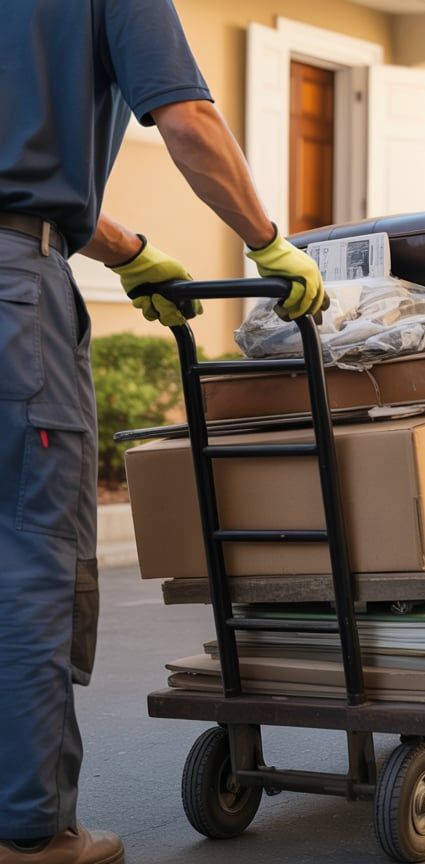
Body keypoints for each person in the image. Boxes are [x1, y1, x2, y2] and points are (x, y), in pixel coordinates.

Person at [0, 2, 325, 861]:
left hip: (30, 253)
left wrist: (124, 249)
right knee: (34, 560)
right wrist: (266, 241)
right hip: (11, 303)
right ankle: (31, 834)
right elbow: (187, 118)